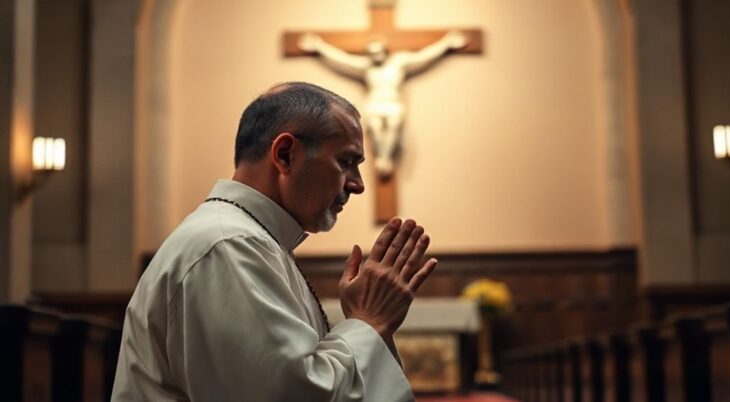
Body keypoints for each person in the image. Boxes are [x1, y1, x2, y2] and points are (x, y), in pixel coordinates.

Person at [111, 82, 438, 402]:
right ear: (285, 155)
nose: (358, 185)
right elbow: (291, 395)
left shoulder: (250, 240)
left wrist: (362, 322)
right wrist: (368, 321)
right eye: (346, 162)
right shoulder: (228, 247)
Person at [298, 31, 468, 177]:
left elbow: (424, 56)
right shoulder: (367, 67)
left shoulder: (399, 63)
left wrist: (446, 43)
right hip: (375, 104)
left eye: (378, 51)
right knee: (374, 127)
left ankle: (385, 158)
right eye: (371, 53)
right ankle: (381, 158)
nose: (375, 55)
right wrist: (319, 47)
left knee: (394, 125)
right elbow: (343, 60)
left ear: (384, 51)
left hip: (393, 104)